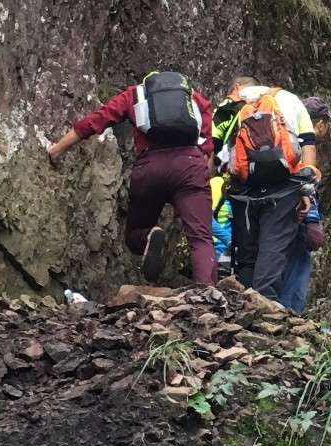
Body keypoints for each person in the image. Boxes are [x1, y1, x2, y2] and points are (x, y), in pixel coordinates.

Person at [47, 70, 216, 286]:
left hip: (150, 168)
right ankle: (207, 294)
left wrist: (57, 149)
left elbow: (96, 121)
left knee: (135, 234)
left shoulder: (134, 95)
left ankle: (149, 235)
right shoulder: (195, 99)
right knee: (200, 237)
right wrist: (199, 183)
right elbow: (207, 148)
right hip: (190, 166)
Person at [215, 80, 321, 301]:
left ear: (238, 87)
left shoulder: (232, 105)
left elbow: (215, 151)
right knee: (273, 248)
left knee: (247, 254)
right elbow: (307, 146)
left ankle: (242, 305)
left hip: (242, 191)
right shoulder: (291, 100)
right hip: (284, 189)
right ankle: (266, 307)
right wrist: (306, 191)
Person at [276, 95, 331, 315]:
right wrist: (312, 221)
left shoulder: (284, 137)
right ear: (320, 124)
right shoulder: (305, 147)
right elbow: (305, 185)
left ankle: (272, 311)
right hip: (297, 216)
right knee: (297, 267)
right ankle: (289, 315)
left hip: (272, 214)